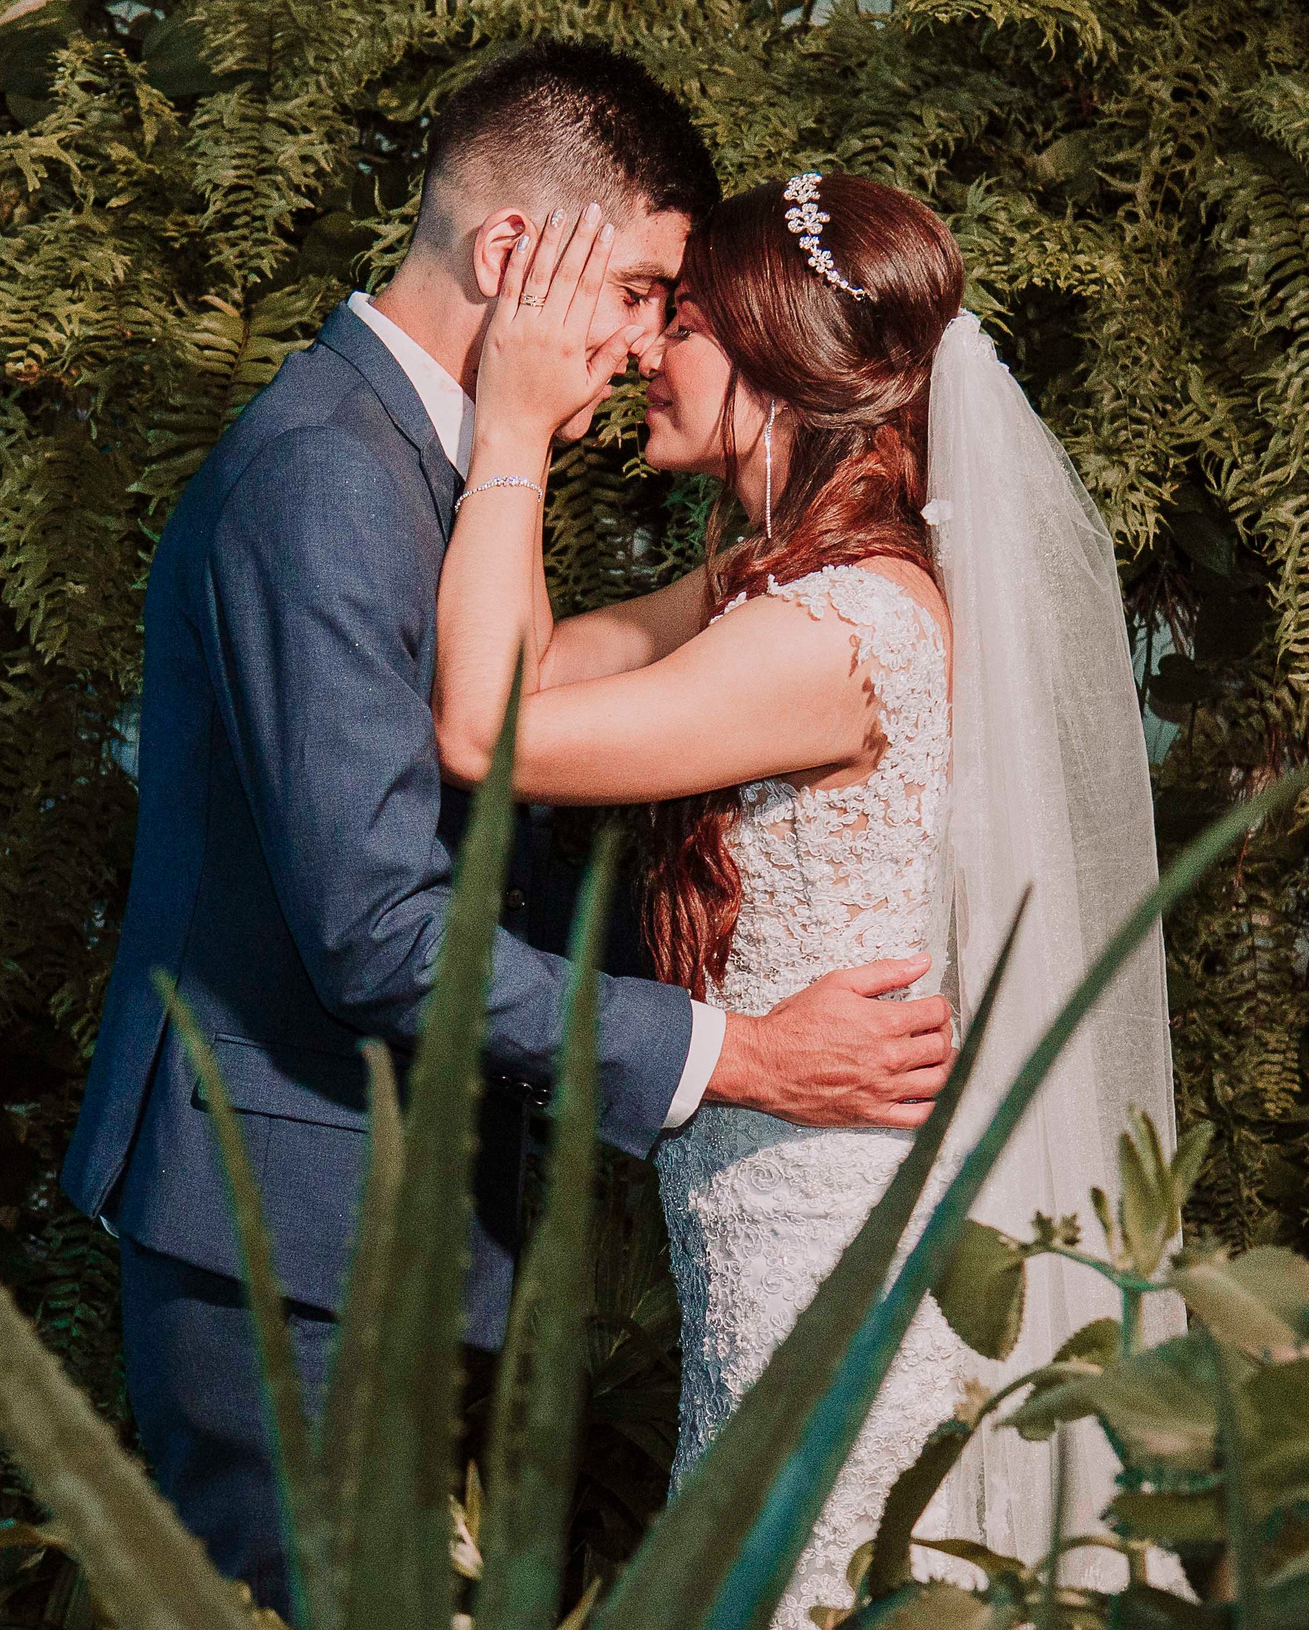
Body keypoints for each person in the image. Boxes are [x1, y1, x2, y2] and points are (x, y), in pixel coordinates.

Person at [57, 41, 956, 1616]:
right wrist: (730, 1054)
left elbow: (512, 739)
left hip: (380, 1227)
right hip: (288, 1239)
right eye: (631, 292)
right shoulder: (331, 476)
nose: (640, 342)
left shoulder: (437, 475)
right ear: (509, 256)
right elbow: (389, 929)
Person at [432, 173, 1176, 1622]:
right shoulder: (768, 591)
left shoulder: (831, 636)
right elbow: (539, 668)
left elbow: (482, 736)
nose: (649, 351)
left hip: (832, 1239)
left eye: (686, 321)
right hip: (768, 1223)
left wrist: (512, 430)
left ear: (778, 355)